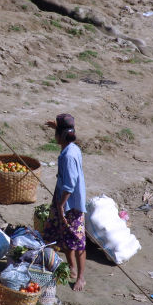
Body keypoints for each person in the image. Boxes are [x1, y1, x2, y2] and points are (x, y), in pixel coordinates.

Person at [42, 114, 87, 292]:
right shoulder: (72, 147)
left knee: (77, 240)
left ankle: (81, 277)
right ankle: (72, 268)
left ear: (60, 136)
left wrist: (61, 206)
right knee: (65, 236)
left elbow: (70, 184)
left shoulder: (68, 156)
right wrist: (57, 127)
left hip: (70, 203)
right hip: (63, 198)